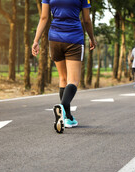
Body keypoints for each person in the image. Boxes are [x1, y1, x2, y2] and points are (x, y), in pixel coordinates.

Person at [32, 0, 96, 133]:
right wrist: (92, 38)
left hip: (55, 38)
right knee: (73, 81)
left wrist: (36, 40)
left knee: (63, 78)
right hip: (74, 38)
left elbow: (44, 17)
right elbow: (87, 20)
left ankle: (67, 117)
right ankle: (64, 106)